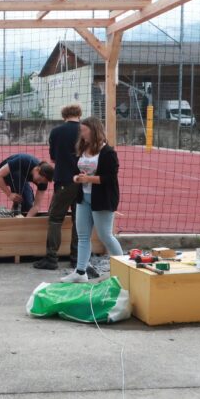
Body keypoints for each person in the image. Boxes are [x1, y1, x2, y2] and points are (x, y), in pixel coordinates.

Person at [62, 116, 124, 283]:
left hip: (102, 199)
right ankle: (80, 272)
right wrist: (78, 178)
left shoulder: (108, 152)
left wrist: (88, 180)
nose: (81, 134)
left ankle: (124, 269)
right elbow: (82, 172)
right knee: (82, 235)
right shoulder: (83, 148)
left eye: (84, 130)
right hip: (84, 197)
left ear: (94, 130)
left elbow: (109, 178)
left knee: (106, 236)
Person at [34, 103, 82, 271]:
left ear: (64, 116)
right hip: (84, 181)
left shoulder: (56, 132)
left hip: (64, 180)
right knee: (79, 221)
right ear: (79, 114)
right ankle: (77, 258)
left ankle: (51, 257)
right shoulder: (86, 130)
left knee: (55, 219)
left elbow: (53, 159)